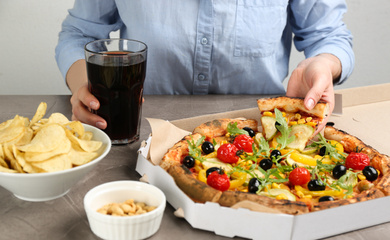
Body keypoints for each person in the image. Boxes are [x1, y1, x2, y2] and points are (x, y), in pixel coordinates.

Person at [55, 0, 354, 132]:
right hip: (141, 131)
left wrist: (324, 63)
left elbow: (329, 35)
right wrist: (85, 86)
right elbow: (79, 33)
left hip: (264, 132)